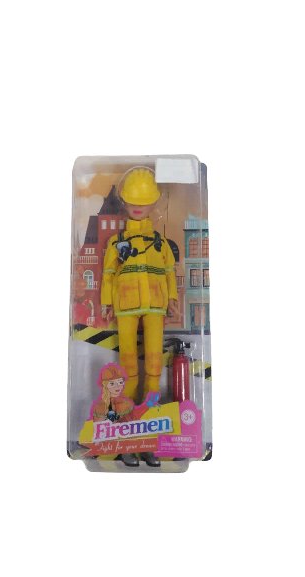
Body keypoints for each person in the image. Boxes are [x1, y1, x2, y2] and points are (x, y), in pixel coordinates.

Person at [100, 168, 178, 467]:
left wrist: (172, 299)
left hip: (155, 306)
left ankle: (150, 431)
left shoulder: (160, 242)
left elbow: (169, 272)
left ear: (153, 203)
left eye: (143, 202)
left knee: (155, 367)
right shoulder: (117, 242)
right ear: (124, 201)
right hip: (125, 307)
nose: (137, 206)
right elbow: (108, 275)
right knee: (128, 369)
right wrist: (107, 303)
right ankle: (127, 432)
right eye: (133, 200)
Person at [91, 363, 159, 467]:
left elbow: (134, 415)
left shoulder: (125, 402)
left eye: (120, 382)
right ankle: (126, 450)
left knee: (141, 423)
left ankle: (145, 448)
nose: (118, 386)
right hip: (115, 435)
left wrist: (147, 406)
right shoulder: (102, 405)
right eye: (112, 384)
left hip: (131, 429)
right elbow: (103, 423)